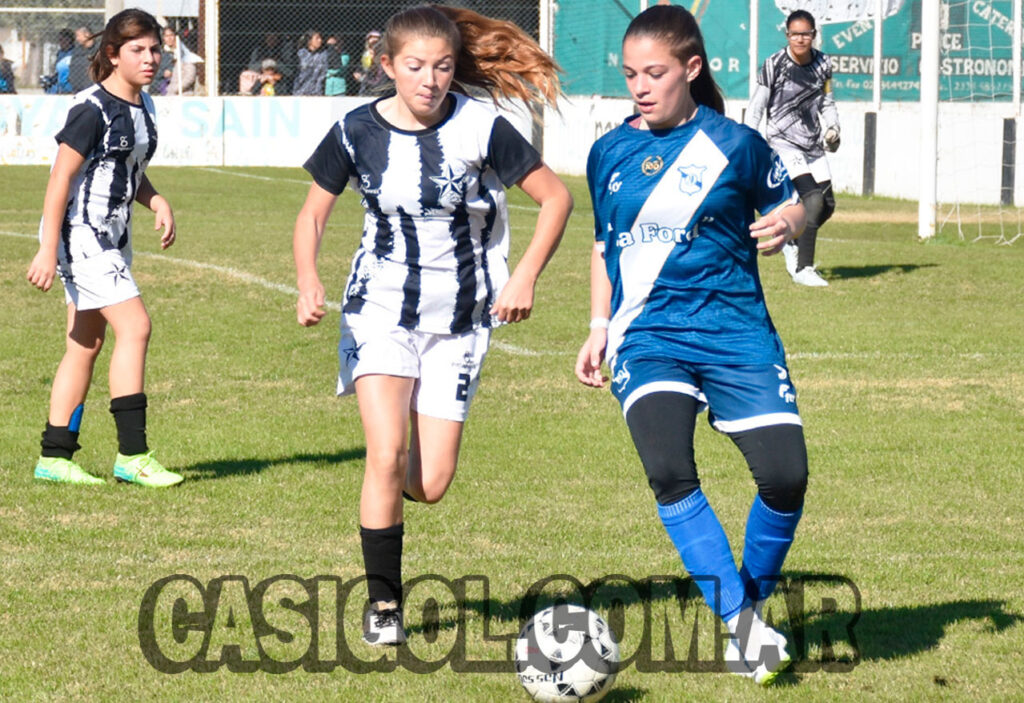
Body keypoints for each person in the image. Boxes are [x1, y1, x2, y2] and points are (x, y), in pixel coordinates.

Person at [293, 5, 571, 646]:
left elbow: (556, 198)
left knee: (431, 481)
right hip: (379, 310)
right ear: (387, 65)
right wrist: (308, 278)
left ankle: (387, 494)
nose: (430, 79)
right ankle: (383, 606)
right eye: (416, 66)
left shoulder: (482, 127)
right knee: (385, 453)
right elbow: (312, 215)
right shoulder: (355, 130)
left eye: (442, 66)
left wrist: (525, 276)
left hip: (461, 319)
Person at [575, 5, 807, 685]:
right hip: (648, 333)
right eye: (630, 75)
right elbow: (603, 246)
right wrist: (598, 325)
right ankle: (743, 628)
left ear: (691, 68)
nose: (640, 87)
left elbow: (796, 201)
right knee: (670, 469)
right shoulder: (607, 153)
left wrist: (791, 222)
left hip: (736, 330)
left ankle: (747, 610)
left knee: (786, 478)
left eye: (654, 73)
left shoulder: (736, 145)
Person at [25, 8, 183, 489]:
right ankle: (133, 456)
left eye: (155, 49)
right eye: (138, 50)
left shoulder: (144, 105)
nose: (150, 58)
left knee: (85, 344)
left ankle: (55, 457)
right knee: (136, 327)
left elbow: (126, 169)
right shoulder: (91, 108)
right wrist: (47, 248)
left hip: (111, 235)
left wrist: (155, 198)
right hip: (82, 233)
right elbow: (60, 178)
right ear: (113, 55)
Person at [746, 9, 839, 287]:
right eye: (795, 34)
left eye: (805, 34)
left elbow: (827, 101)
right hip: (783, 143)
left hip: (812, 145)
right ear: (787, 35)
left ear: (814, 35)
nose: (800, 39)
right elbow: (757, 106)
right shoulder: (774, 64)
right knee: (813, 200)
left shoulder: (824, 64)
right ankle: (803, 268)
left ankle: (791, 241)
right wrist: (749, 140)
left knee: (827, 205)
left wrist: (833, 127)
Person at [292, 30, 328, 96]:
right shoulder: (300, 54)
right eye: (317, 38)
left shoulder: (323, 55)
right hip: (300, 91)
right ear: (309, 41)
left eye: (320, 38)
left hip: (317, 92)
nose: (320, 40)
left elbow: (323, 73)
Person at [353, 29, 387, 95]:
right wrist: (359, 73)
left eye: (376, 38)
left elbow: (378, 70)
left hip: (377, 82)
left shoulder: (382, 53)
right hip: (367, 81)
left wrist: (373, 59)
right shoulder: (366, 53)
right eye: (371, 38)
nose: (374, 40)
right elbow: (362, 66)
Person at [44, 28, 75, 94]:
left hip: (68, 77)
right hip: (58, 76)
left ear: (68, 40)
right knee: (45, 81)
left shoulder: (73, 52)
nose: (60, 42)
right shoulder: (60, 52)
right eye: (59, 40)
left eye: (61, 40)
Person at [67, 26, 97, 93]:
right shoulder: (77, 51)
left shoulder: (98, 50)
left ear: (87, 35)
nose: (77, 39)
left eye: (78, 36)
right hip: (77, 89)